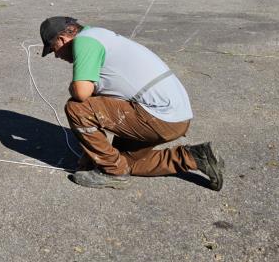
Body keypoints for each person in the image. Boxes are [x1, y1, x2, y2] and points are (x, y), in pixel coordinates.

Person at [39, 16, 224, 190]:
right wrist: (92, 153)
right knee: (126, 161)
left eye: (54, 50)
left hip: (160, 116)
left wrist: (73, 87)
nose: (56, 56)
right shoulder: (99, 35)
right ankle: (196, 157)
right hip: (175, 116)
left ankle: (113, 173)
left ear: (62, 39)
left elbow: (81, 93)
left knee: (76, 108)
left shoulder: (85, 41)